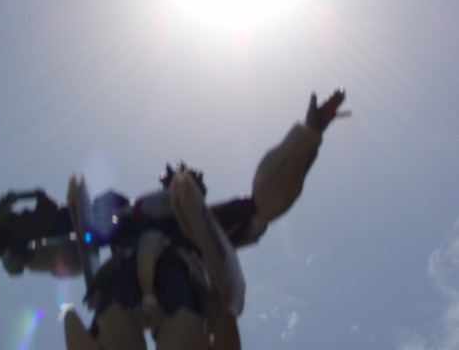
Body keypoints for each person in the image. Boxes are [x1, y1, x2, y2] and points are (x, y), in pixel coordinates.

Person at [23, 88, 347, 350]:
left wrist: (307, 134)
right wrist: (30, 253)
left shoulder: (213, 219)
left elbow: (267, 201)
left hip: (184, 268)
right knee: (115, 308)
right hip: (126, 267)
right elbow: (83, 246)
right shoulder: (128, 212)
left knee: (184, 312)